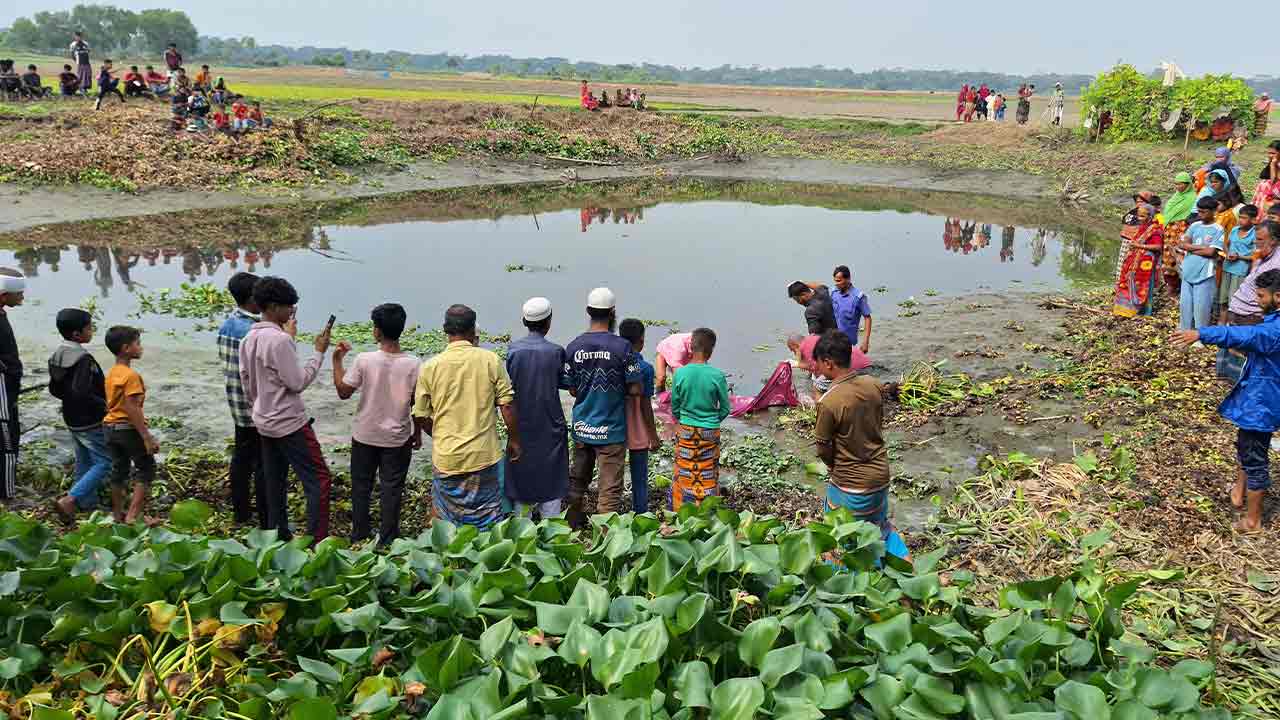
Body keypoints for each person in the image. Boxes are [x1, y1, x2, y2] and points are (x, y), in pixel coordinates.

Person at [1171, 268, 1280, 533]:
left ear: (1278, 297)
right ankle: (1238, 493)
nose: (1257, 300)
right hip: (1260, 398)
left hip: (1261, 403)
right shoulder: (1273, 324)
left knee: (1255, 457)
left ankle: (1252, 521)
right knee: (1246, 446)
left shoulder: (1273, 331)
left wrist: (1201, 334)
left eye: (1262, 296)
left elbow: (1243, 336)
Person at [239, 277, 334, 542]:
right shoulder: (280, 341)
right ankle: (316, 542)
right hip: (289, 423)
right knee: (319, 480)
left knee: (275, 481)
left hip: (263, 420)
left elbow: (246, 380)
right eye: (289, 306)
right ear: (272, 307)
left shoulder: (249, 338)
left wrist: (259, 406)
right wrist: (318, 353)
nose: (292, 311)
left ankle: (277, 536)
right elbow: (297, 382)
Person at [413, 304, 520, 530]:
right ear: (473, 330)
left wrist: (438, 434)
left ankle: (444, 548)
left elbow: (421, 415)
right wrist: (514, 440)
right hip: (484, 455)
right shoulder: (490, 360)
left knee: (444, 515)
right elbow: (507, 406)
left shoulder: (430, 367)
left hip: (447, 456)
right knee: (488, 514)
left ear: (445, 330)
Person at [811, 330, 909, 559]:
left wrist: (832, 466)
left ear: (828, 363)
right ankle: (908, 569)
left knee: (839, 539)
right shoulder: (873, 385)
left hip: (851, 485)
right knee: (881, 530)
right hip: (880, 476)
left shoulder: (829, 402)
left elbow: (823, 446)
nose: (817, 368)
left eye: (819, 363)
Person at [333, 303, 420, 545]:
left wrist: (337, 361)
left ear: (377, 331)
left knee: (361, 486)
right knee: (392, 488)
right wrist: (418, 432)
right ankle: (388, 538)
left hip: (365, 434)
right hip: (397, 437)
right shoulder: (414, 364)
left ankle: (359, 534)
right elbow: (416, 403)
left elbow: (343, 392)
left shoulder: (364, 360)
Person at [564, 288, 642, 528]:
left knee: (577, 482)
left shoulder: (574, 346)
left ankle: (571, 526)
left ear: (588, 311)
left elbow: (572, 389)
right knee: (609, 490)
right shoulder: (623, 348)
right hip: (611, 430)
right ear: (612, 313)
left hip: (583, 428)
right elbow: (635, 388)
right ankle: (605, 537)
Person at [504, 298, 570, 520]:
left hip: (520, 426)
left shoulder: (513, 351)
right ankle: (551, 528)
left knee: (521, 477)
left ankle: (521, 527)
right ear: (548, 322)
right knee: (552, 480)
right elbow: (564, 382)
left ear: (524, 321)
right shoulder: (556, 352)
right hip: (550, 426)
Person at [50, 309, 110, 521]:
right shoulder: (83, 359)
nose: (92, 331)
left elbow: (54, 389)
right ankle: (70, 499)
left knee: (84, 459)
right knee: (105, 462)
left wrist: (70, 401)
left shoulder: (58, 354)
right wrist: (105, 405)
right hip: (89, 420)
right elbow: (82, 392)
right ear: (77, 334)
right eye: (89, 328)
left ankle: (87, 503)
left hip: (71, 417)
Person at [216, 272, 265, 526]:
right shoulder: (252, 331)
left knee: (242, 459)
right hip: (255, 406)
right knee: (263, 463)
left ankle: (241, 512)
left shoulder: (228, 324)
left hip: (237, 404)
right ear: (253, 299)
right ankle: (266, 518)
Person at [669, 328, 730, 510]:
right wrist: (711, 421)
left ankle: (682, 509)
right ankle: (708, 508)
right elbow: (725, 409)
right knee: (708, 470)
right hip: (710, 431)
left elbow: (675, 407)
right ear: (711, 350)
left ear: (690, 347)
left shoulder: (680, 373)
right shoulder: (717, 375)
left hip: (686, 429)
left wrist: (684, 420)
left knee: (684, 469)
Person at [102, 326, 157, 523]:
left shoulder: (112, 373)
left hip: (109, 427)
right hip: (126, 429)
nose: (141, 347)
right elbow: (131, 408)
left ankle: (118, 514)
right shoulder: (131, 376)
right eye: (138, 344)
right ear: (126, 348)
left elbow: (114, 403)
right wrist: (147, 437)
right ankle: (133, 516)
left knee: (119, 470)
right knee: (146, 468)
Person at [618, 318, 661, 514]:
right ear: (641, 341)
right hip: (638, 429)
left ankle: (612, 514)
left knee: (612, 475)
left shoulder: (614, 363)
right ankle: (641, 514)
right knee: (640, 478)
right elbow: (645, 406)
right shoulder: (645, 368)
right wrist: (653, 436)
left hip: (615, 425)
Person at [1179, 197, 1227, 332]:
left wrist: (1190, 248)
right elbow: (1182, 244)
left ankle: (1201, 335)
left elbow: (1211, 252)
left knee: (1202, 308)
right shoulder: (1194, 226)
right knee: (1185, 306)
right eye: (1199, 211)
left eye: (1203, 212)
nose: (1200, 215)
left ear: (1213, 211)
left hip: (1205, 273)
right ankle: (1184, 332)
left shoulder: (1218, 229)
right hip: (1188, 270)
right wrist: (1202, 247)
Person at [1112, 203, 1165, 317]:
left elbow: (1158, 247)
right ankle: (1126, 309)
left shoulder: (1155, 229)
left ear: (1150, 216)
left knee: (1144, 286)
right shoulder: (1143, 227)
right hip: (1136, 261)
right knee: (1129, 283)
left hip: (1146, 264)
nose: (1139, 218)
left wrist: (1139, 246)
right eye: (1139, 215)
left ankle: (1144, 311)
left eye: (1142, 216)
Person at [0, 269, 24, 503]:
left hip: (8, 388)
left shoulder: (1, 313)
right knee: (7, 442)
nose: (23, 298)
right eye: (19, 294)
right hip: (2, 392)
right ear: (4, 295)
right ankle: (8, 496)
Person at [1226, 221, 1280, 324]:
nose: (1255, 242)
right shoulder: (1262, 255)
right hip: (1238, 313)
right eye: (1255, 238)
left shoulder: (1277, 262)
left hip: (1251, 318)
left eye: (1260, 239)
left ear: (1273, 240)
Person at [1162, 172, 1200, 297]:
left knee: (1180, 256)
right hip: (1169, 232)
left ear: (1188, 184)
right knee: (1167, 257)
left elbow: (1192, 216)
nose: (1178, 187)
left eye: (1181, 184)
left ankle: (1181, 285)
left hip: (1182, 231)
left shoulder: (1193, 198)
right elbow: (1167, 213)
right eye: (1176, 184)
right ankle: (1171, 284)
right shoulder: (1175, 197)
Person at [1220, 206, 1260, 323]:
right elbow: (1225, 244)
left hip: (1240, 271)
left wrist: (1239, 257)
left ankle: (1231, 325)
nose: (1241, 220)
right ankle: (1221, 323)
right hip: (1227, 267)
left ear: (1253, 220)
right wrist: (1227, 253)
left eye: (1244, 218)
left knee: (1234, 300)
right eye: (1240, 217)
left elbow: (1255, 256)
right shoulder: (1234, 230)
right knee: (1223, 299)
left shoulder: (1255, 234)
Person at [831, 265, 873, 354]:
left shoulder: (858, 297)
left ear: (848, 279)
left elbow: (867, 318)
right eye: (835, 281)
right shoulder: (834, 293)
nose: (836, 284)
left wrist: (865, 341)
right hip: (834, 340)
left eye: (839, 281)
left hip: (849, 343)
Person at [1254, 140, 1280, 215]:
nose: (1270, 155)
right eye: (1269, 153)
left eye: (1273, 153)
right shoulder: (1273, 163)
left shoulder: (1275, 164)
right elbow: (1264, 176)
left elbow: (1273, 183)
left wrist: (1272, 165)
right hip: (1265, 197)